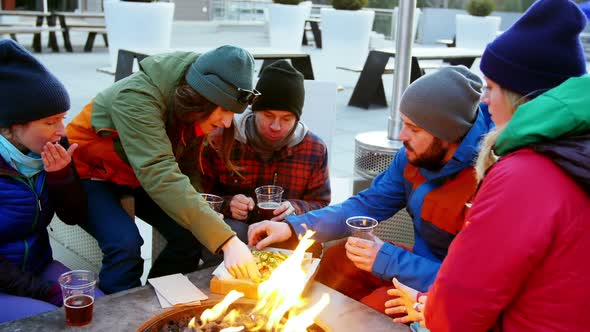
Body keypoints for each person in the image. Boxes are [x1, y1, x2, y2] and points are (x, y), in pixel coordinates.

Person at [387, 1, 590, 330]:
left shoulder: (523, 175)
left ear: (521, 97)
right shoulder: (574, 152)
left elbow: (459, 308)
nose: (484, 99)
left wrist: (430, 309)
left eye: (492, 88)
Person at [248, 65, 491, 314]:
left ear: (447, 135)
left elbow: (479, 284)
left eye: (414, 129)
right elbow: (365, 205)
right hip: (416, 262)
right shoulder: (413, 155)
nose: (401, 135)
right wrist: (292, 227)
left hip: (447, 291)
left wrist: (387, 260)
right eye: (404, 123)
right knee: (337, 258)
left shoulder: (491, 181)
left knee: (370, 310)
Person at [65, 45, 260, 294]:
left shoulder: (190, 102)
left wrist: (204, 215)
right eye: (224, 110)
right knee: (125, 245)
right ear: (201, 98)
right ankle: (120, 316)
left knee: (191, 233)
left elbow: (186, 167)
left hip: (135, 174)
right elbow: (159, 171)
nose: (227, 122)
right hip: (90, 172)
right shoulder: (136, 98)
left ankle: (159, 299)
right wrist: (227, 240)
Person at [0, 40, 103, 322]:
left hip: (38, 266)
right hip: (7, 280)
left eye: (63, 118)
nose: (62, 130)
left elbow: (73, 217)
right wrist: (47, 292)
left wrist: (61, 177)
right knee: (51, 321)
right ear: (12, 126)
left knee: (101, 309)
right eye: (50, 122)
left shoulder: (50, 149)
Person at [199, 60, 330, 260]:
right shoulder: (221, 138)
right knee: (224, 236)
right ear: (254, 110)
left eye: (286, 118)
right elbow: (199, 195)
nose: (276, 126)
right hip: (234, 232)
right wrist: (228, 204)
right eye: (268, 115)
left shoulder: (314, 148)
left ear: (297, 118)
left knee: (308, 246)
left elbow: (321, 204)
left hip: (285, 232)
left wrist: (295, 207)